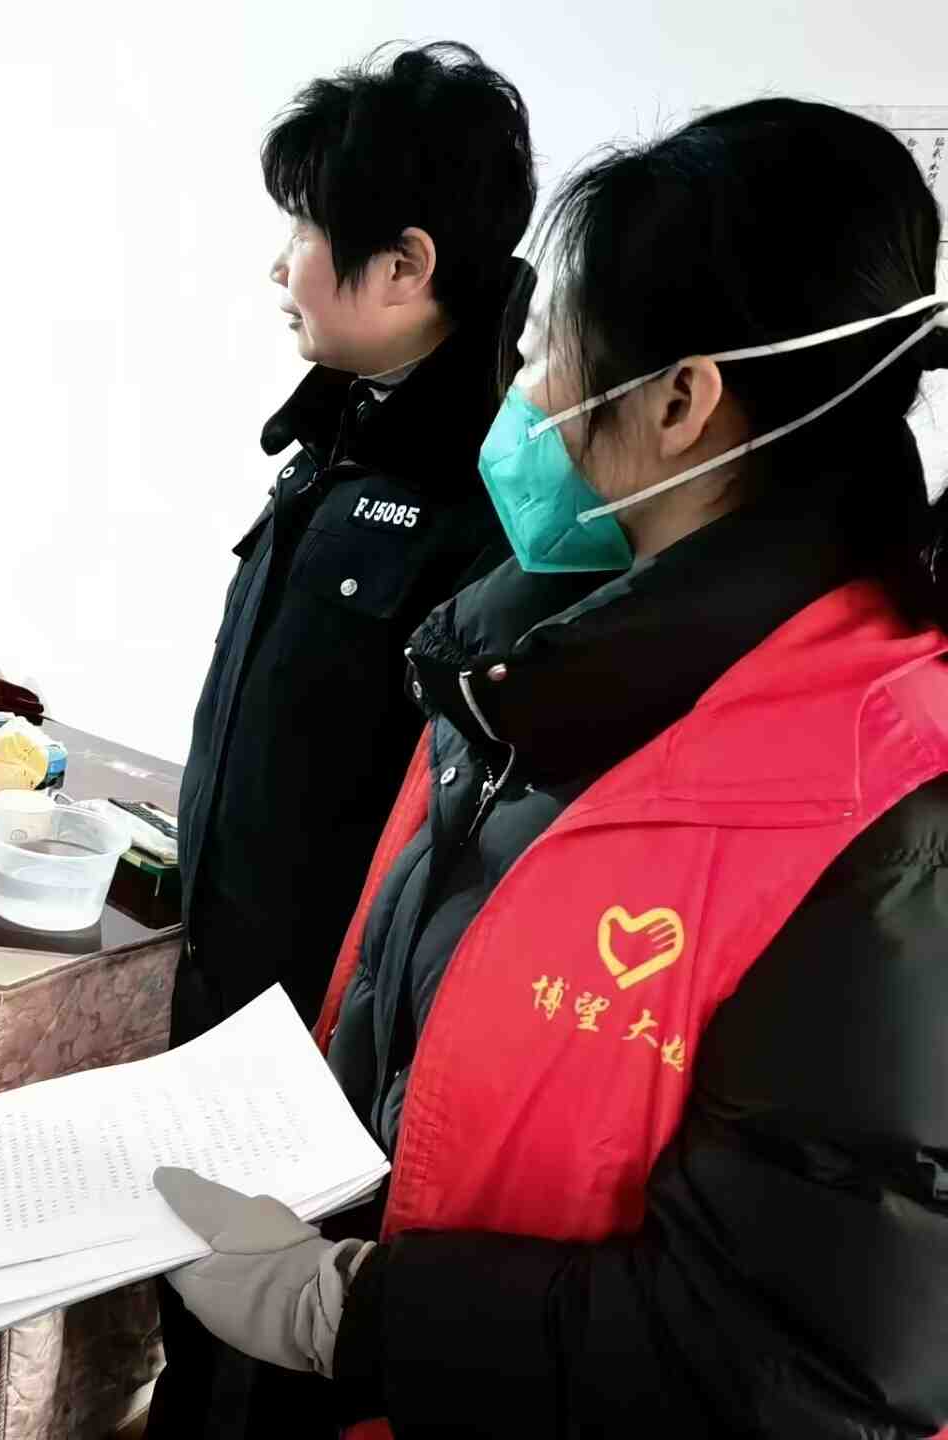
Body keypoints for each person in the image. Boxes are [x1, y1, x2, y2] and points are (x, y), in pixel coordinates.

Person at [154, 98, 948, 1438]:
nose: (523, 398)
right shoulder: (535, 658)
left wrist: (355, 1317)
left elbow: (806, 1365)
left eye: (547, 353)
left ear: (682, 402)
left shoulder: (890, 817)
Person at [156, 42, 536, 1436]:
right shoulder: (338, 436)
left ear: (405, 266)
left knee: (267, 1386)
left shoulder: (490, 502)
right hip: (225, 993)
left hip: (325, 1050)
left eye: (304, 232)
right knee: (191, 1326)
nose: (281, 267)